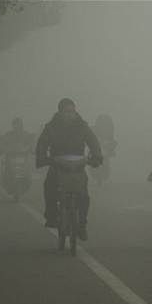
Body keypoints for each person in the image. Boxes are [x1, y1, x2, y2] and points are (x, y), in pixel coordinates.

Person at [35, 98, 103, 240]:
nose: (70, 114)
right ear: (59, 112)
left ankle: (82, 225)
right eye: (66, 112)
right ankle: (52, 216)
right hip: (57, 166)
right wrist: (43, 158)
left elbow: (93, 142)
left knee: (84, 196)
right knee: (49, 186)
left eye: (72, 111)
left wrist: (96, 157)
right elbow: (42, 144)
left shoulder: (82, 126)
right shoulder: (51, 127)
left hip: (78, 167)